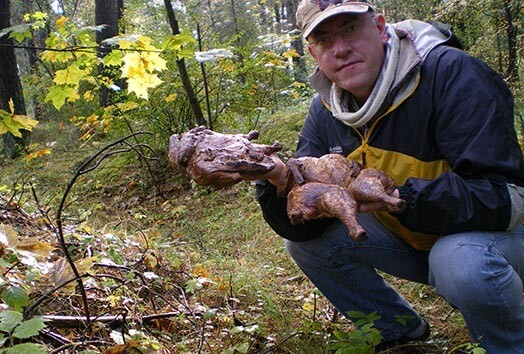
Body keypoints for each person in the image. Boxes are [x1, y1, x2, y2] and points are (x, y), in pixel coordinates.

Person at [255, 0, 524, 352]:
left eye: (350, 28)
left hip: (503, 234)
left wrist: (398, 198)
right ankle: (398, 331)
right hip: (415, 237)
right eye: (323, 40)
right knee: (309, 246)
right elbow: (303, 224)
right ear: (312, 53)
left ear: (380, 27)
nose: (340, 49)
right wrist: (277, 180)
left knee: (459, 260)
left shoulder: (450, 74)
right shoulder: (324, 112)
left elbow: (502, 194)